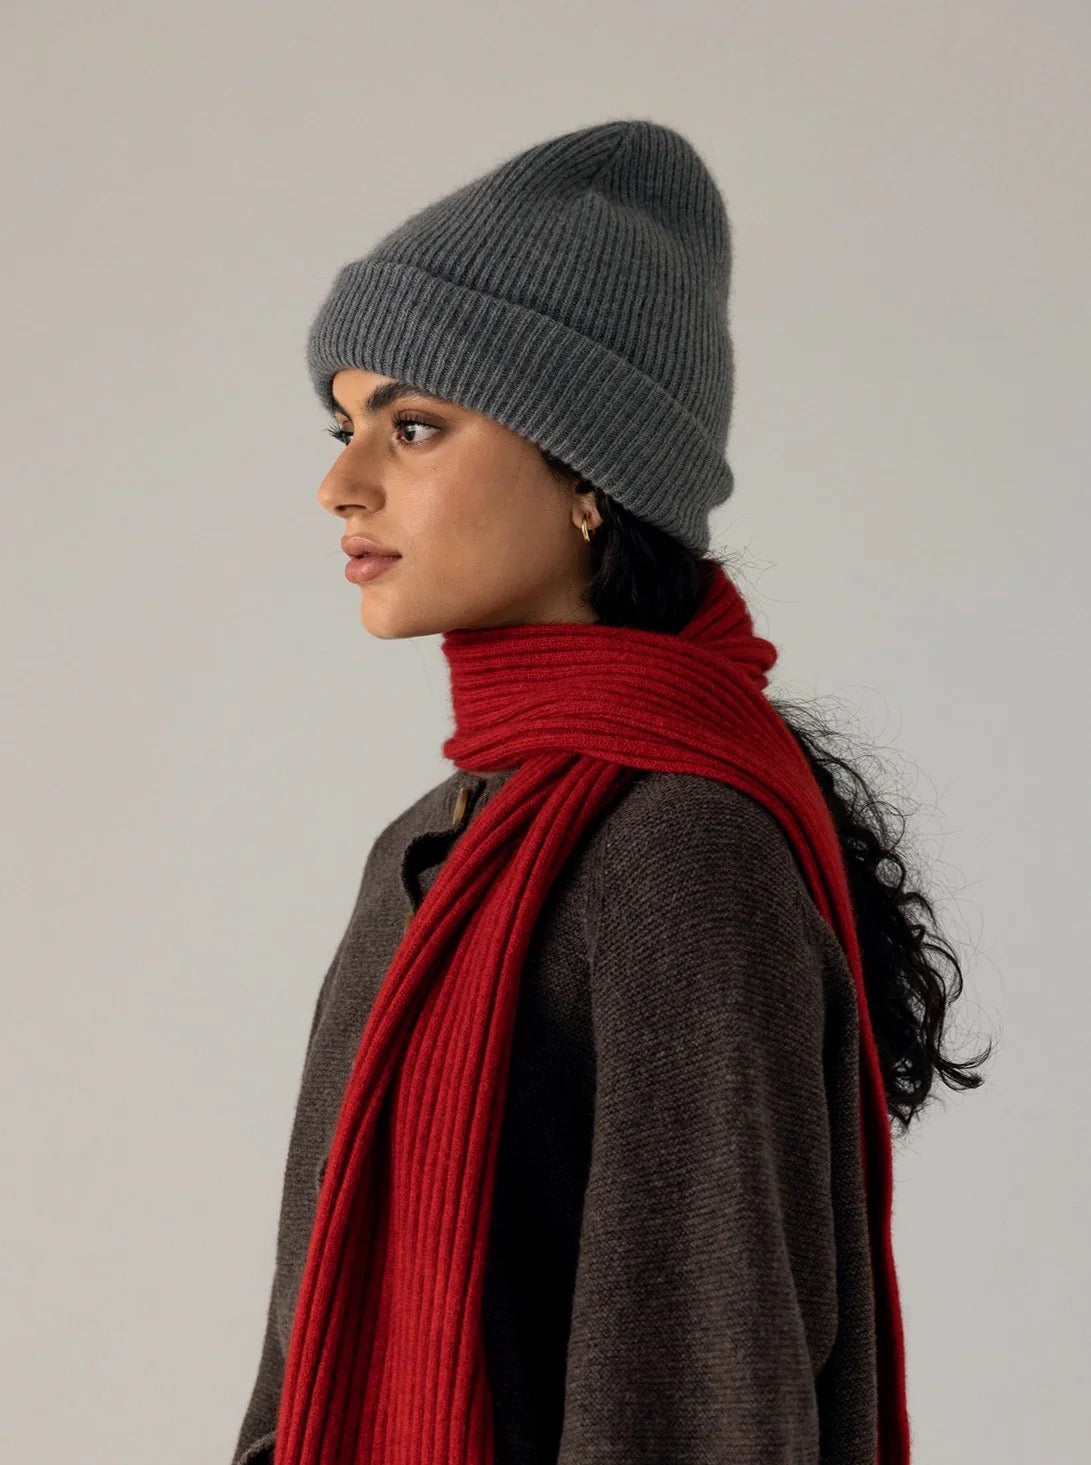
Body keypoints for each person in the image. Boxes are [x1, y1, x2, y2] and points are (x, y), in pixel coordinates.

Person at [229, 119, 990, 1465]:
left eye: (412, 425)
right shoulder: (427, 846)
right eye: (344, 426)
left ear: (590, 477)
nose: (341, 484)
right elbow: (303, 1357)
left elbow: (709, 1403)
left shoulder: (684, 854)